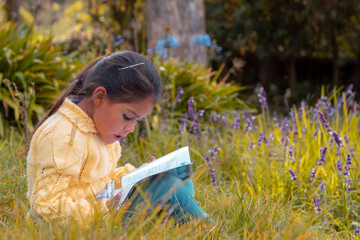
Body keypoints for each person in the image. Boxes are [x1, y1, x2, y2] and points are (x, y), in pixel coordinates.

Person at [26, 51, 214, 226]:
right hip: (85, 223)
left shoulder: (99, 128)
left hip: (105, 209)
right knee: (168, 186)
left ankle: (178, 226)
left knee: (175, 178)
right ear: (100, 97)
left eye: (138, 121)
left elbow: (99, 179)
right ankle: (208, 230)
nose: (131, 128)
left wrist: (138, 175)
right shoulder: (64, 136)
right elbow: (45, 206)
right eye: (127, 117)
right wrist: (105, 210)